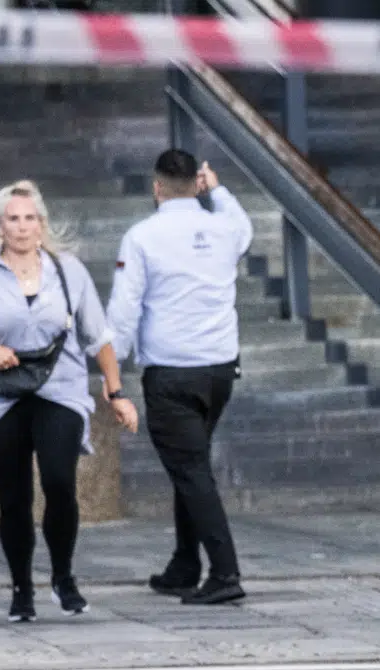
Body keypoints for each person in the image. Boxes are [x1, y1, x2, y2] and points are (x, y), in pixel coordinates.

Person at [0, 180, 139, 621]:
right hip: (0, 396)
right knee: (14, 498)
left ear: (41, 224)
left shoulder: (68, 271)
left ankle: (63, 577)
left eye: (29, 218)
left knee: (60, 483)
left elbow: (98, 335)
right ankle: (21, 587)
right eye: (13, 219)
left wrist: (116, 391)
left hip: (59, 390)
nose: (22, 227)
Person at [107, 150, 254, 605]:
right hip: (219, 371)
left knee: (190, 470)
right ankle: (185, 563)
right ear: (197, 182)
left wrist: (113, 376)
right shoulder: (225, 228)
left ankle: (225, 573)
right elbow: (245, 230)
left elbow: (125, 309)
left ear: (156, 188)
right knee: (189, 465)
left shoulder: (142, 237)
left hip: (171, 372)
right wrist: (219, 190)